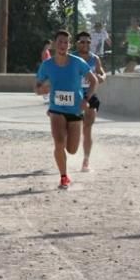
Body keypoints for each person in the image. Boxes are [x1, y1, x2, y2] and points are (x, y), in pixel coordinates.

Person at [35, 30, 99, 190]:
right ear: (55, 44)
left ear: (69, 45)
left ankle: (67, 159)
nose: (63, 45)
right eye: (60, 42)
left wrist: (86, 99)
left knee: (71, 149)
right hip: (56, 109)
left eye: (66, 42)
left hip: (75, 110)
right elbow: (37, 86)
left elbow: (94, 81)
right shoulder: (47, 65)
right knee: (58, 142)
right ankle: (64, 177)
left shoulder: (77, 62)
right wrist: (41, 89)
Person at [74, 31, 107, 172]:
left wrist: (101, 77)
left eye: (88, 42)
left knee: (87, 129)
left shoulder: (95, 59)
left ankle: (86, 161)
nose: (85, 44)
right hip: (74, 96)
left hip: (90, 94)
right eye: (82, 41)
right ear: (77, 43)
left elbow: (102, 73)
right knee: (71, 129)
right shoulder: (71, 58)